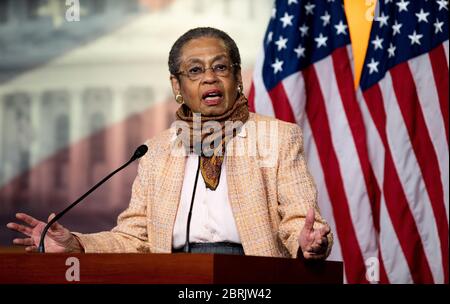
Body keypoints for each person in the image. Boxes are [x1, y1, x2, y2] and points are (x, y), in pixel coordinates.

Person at [7, 27, 332, 260]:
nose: (209, 78)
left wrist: (307, 241)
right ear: (177, 85)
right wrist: (76, 244)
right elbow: (135, 237)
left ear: (237, 77)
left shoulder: (277, 137)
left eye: (220, 67)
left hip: (251, 278)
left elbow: (299, 219)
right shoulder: (157, 150)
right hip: (173, 274)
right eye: (195, 70)